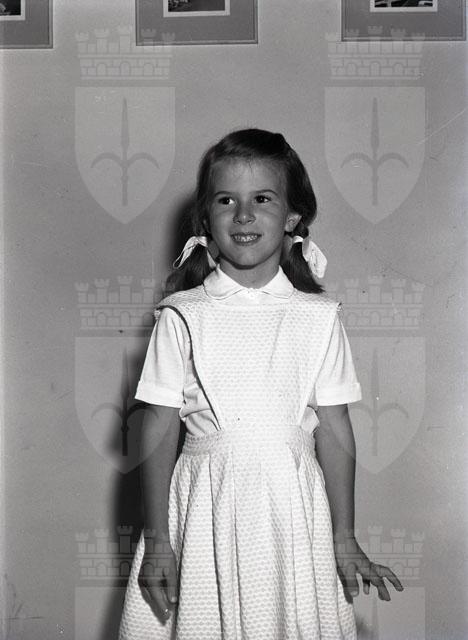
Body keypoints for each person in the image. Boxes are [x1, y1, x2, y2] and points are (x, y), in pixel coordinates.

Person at [118, 128, 403, 639]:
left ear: (292, 217)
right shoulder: (183, 315)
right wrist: (158, 537)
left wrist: (344, 537)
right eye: (226, 200)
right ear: (206, 219)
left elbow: (335, 429)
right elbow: (158, 425)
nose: (244, 215)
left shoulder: (319, 317)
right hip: (207, 508)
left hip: (293, 511)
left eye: (263, 199)